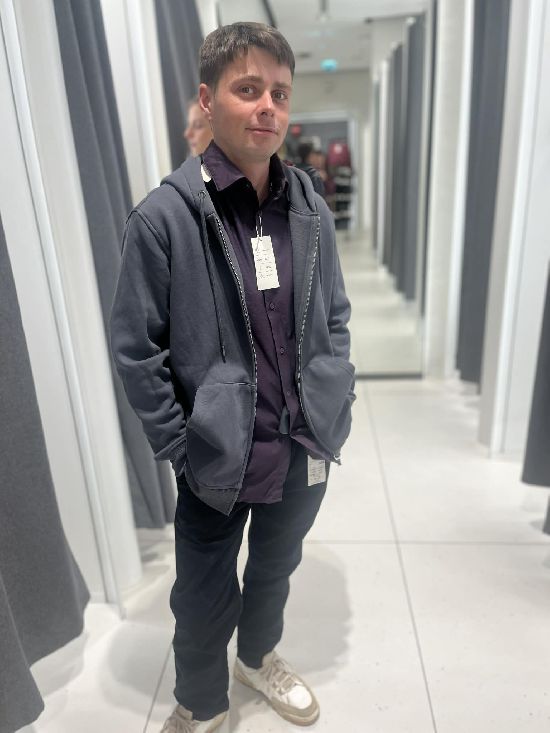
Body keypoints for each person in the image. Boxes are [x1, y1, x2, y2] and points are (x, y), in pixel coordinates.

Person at [110, 21, 355, 733]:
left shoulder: (309, 206)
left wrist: (333, 396)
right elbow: (136, 350)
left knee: (275, 569)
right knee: (201, 594)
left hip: (303, 445)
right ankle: (202, 703)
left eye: (280, 92)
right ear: (207, 99)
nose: (267, 107)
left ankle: (257, 656)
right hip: (217, 459)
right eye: (248, 89)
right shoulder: (164, 218)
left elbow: (335, 314)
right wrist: (182, 447)